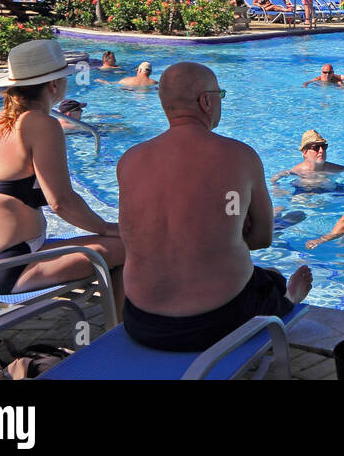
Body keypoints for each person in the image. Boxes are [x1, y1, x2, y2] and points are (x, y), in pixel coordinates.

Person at [117, 62, 311, 350]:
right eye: (219, 94)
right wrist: (221, 235)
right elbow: (262, 238)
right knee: (274, 280)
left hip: (140, 321)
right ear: (206, 101)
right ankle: (289, 300)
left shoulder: (130, 160)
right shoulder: (240, 156)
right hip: (216, 324)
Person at [0, 40, 124, 295]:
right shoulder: (41, 125)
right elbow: (62, 203)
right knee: (128, 247)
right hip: (0, 269)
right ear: (54, 84)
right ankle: (120, 331)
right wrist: (109, 228)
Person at [271, 130, 344, 184]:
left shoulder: (332, 168)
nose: (321, 151)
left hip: (330, 193)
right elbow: (275, 179)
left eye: (323, 147)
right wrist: (276, 188)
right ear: (305, 152)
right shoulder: (298, 171)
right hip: (304, 192)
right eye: (316, 148)